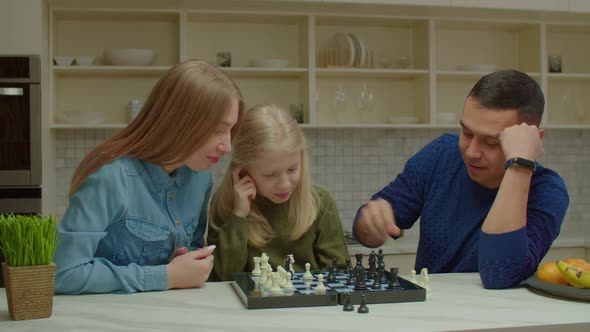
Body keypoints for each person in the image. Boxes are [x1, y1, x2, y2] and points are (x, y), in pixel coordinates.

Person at [353, 69, 569, 289]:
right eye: (466, 133)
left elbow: (500, 274)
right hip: (428, 311)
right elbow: (364, 231)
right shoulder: (441, 153)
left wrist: (520, 165)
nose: (472, 151)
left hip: (503, 319)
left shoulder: (548, 191)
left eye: (491, 142)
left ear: (532, 139)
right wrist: (369, 224)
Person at [53, 60, 245, 294]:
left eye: (230, 130)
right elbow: (64, 274)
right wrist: (165, 276)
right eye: (218, 130)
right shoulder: (111, 176)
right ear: (179, 122)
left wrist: (187, 263)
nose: (227, 146)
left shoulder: (199, 179)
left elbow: (191, 250)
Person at [207, 104, 349, 281]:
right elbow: (223, 278)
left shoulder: (320, 202)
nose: (284, 184)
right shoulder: (225, 204)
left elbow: (341, 274)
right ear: (243, 171)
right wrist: (239, 216)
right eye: (270, 174)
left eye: (292, 169)